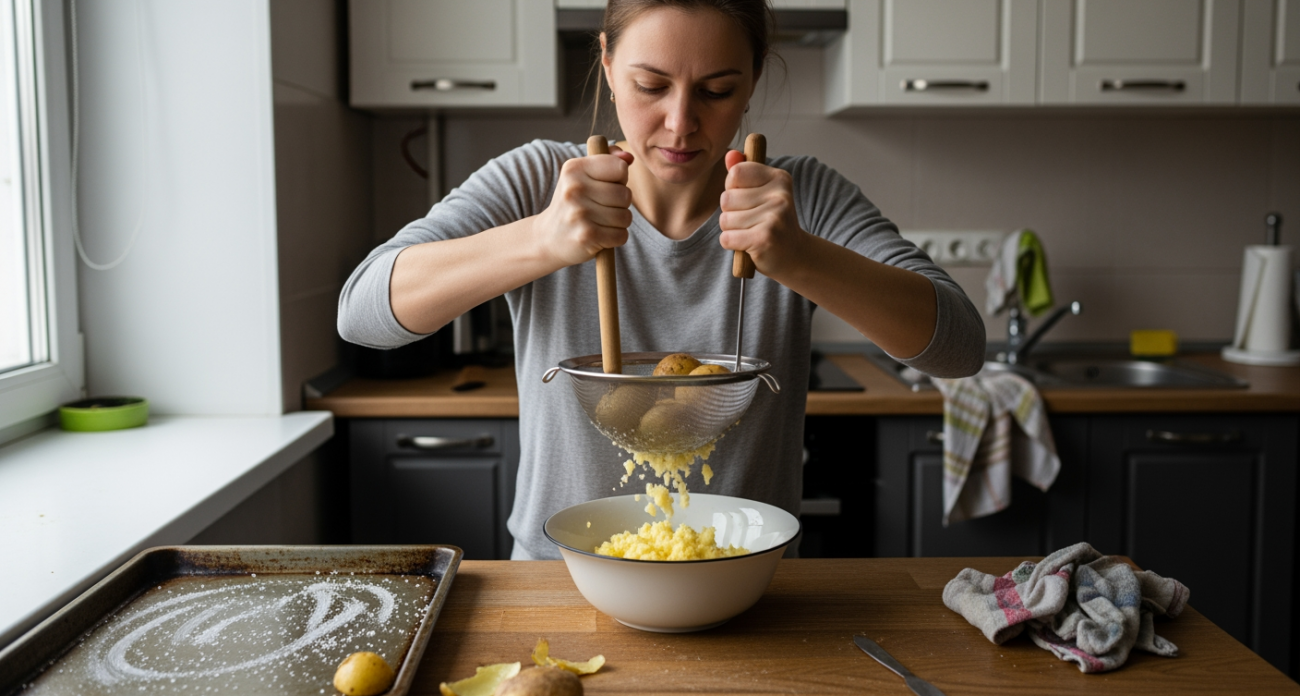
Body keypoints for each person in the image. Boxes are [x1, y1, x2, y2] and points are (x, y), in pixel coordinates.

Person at [339, 0, 985, 560]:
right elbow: (362, 313)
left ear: (754, 79)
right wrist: (539, 238)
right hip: (559, 578)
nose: (680, 123)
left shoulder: (802, 195)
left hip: (741, 577)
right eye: (651, 85)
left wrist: (801, 258)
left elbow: (959, 348)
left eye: (716, 90)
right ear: (608, 64)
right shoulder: (536, 180)